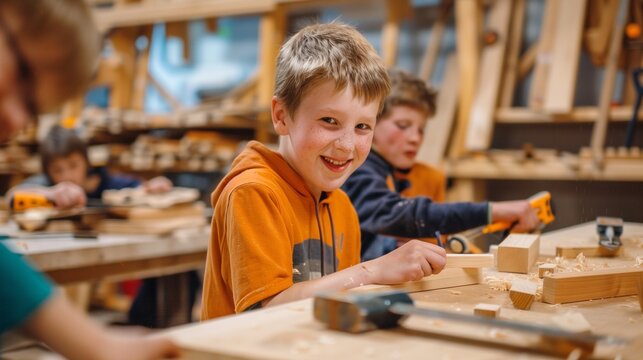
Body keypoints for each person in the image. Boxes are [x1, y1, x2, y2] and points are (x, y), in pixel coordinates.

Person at [201, 23, 448, 320]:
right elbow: (266, 311)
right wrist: (374, 270)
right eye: (329, 120)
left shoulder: (341, 207)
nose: (346, 146)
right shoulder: (254, 192)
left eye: (362, 127)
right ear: (281, 117)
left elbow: (338, 304)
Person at [0, 0, 178, 358]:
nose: (14, 120)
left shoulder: (106, 181)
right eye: (23, 74)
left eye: (32, 107)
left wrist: (96, 344)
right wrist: (95, 344)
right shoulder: (38, 184)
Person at [343, 69, 539, 260]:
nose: (415, 138)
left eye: (421, 130)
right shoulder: (357, 169)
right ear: (370, 122)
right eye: (403, 126)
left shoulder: (388, 171)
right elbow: (395, 213)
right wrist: (491, 212)